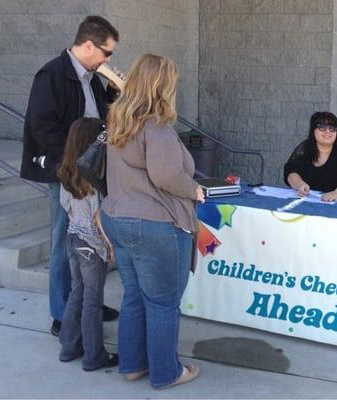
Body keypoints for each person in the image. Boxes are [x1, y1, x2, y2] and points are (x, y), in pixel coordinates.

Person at [100, 54, 204, 388]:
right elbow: (166, 175)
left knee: (134, 295)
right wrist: (195, 190)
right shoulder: (156, 125)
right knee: (163, 303)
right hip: (154, 223)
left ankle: (133, 365)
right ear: (162, 85)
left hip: (118, 218)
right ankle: (165, 372)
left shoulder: (119, 119)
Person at [20, 15, 120, 337]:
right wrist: (75, 162)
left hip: (92, 170)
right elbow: (43, 128)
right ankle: (62, 314)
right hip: (67, 172)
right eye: (107, 52)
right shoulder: (52, 75)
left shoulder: (91, 77)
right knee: (65, 242)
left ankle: (89, 303)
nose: (108, 60)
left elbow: (98, 118)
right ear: (89, 45)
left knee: (94, 240)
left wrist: (115, 94)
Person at [56, 117, 118, 371]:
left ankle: (69, 347)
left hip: (73, 238)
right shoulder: (94, 176)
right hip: (92, 245)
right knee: (93, 299)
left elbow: (66, 207)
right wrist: (110, 245)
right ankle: (94, 356)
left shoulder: (65, 173)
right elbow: (98, 216)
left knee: (77, 292)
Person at [284, 111, 337, 202]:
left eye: (332, 128)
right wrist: (299, 185)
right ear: (313, 130)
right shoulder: (304, 148)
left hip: (336, 202)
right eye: (322, 127)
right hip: (306, 199)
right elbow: (291, 171)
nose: (327, 131)